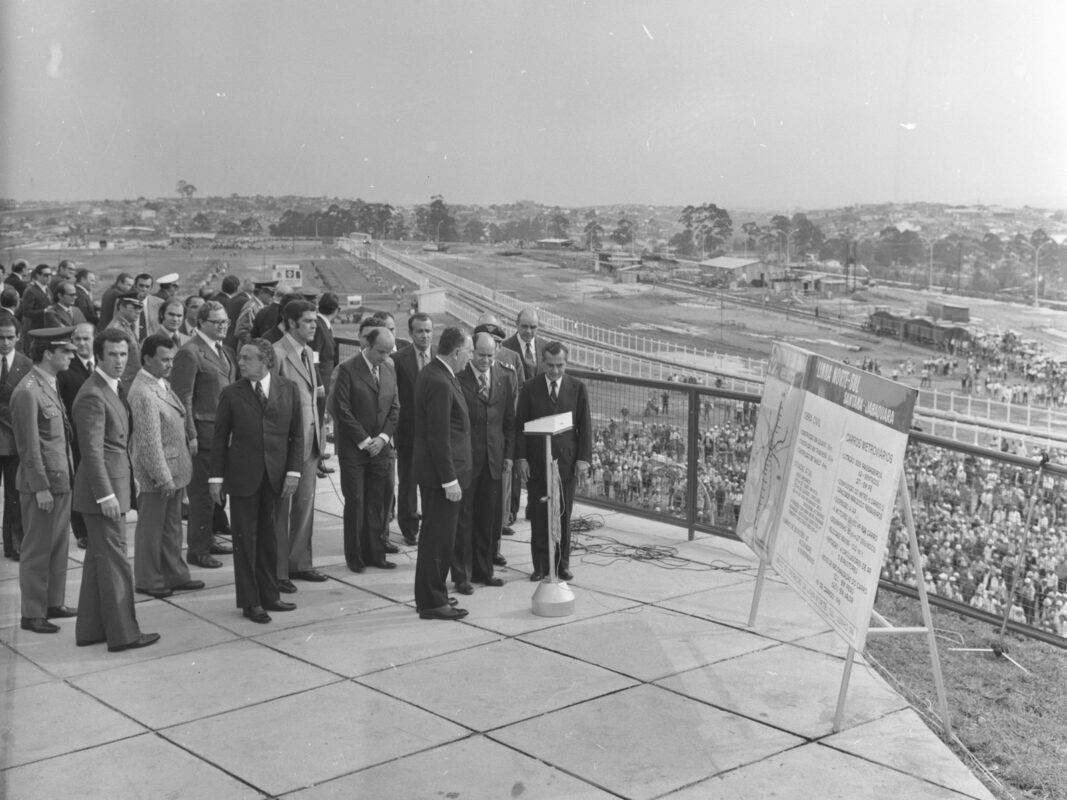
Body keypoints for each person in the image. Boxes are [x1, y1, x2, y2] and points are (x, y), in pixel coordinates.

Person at [73, 328, 160, 652]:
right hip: (102, 495)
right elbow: (91, 451)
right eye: (113, 354)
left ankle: (91, 630)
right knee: (115, 564)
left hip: (112, 488)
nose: (120, 360)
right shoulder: (93, 394)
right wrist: (106, 495)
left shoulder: (112, 387)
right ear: (99, 355)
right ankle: (125, 634)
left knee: (99, 562)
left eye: (124, 354)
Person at [210, 339, 303, 624]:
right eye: (240, 357)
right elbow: (219, 438)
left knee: (270, 538)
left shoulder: (289, 389)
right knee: (245, 540)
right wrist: (216, 479)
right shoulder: (231, 393)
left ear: (266, 361)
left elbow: (297, 435)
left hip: (276, 477)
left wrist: (293, 472)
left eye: (248, 358)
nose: (241, 362)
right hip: (243, 478)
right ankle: (251, 602)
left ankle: (270, 595)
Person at [11, 327, 78, 633]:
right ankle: (33, 613)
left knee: (58, 545)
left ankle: (53, 602)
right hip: (43, 486)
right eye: (66, 351)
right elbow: (28, 446)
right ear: (48, 353)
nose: (71, 355)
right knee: (38, 549)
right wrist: (40, 488)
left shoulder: (48, 383)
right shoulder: (27, 390)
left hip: (60, 481)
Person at [128, 334, 204, 599]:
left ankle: (174, 574)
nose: (170, 364)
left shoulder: (158, 382)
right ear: (147, 359)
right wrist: (162, 478)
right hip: (158, 475)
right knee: (151, 530)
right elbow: (149, 443)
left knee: (171, 527)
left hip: (173, 471)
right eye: (164, 359)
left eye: (172, 358)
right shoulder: (143, 392)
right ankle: (148, 579)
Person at [515, 341, 592, 582]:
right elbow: (520, 427)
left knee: (563, 516)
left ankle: (562, 564)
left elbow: (585, 426)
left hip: (566, 465)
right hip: (537, 464)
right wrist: (521, 458)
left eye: (560, 366)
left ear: (566, 364)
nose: (555, 371)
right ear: (542, 362)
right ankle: (540, 565)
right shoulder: (529, 388)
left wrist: (583, 460)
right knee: (539, 516)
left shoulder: (577, 388)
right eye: (550, 365)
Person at [170, 300, 237, 569]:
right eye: (217, 323)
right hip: (203, 435)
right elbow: (182, 397)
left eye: (225, 322)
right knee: (202, 495)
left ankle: (207, 539)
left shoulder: (224, 350)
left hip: (223, 434)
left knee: (217, 494)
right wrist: (191, 435)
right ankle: (197, 550)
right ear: (201, 324)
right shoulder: (190, 353)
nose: (223, 327)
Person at [413, 326, 473, 620]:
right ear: (457, 351)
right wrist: (450, 480)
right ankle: (433, 602)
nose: (470, 358)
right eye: (469, 352)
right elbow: (439, 437)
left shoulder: (440, 374)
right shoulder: (439, 380)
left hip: (442, 476)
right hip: (442, 479)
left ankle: (433, 596)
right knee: (438, 541)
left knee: (436, 540)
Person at [330, 322, 399, 572]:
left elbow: (395, 408)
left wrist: (382, 438)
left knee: (377, 502)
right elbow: (342, 409)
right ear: (367, 345)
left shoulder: (389, 368)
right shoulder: (348, 369)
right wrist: (364, 440)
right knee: (356, 502)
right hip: (355, 451)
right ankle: (356, 556)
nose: (386, 356)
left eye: (389, 351)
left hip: (380, 449)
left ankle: (376, 554)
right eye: (381, 351)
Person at [452, 329, 515, 593]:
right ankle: (463, 575)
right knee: (464, 520)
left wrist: (509, 455)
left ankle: (484, 570)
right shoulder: (458, 379)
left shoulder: (504, 378)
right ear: (471, 352)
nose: (486, 360)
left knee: (489, 519)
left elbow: (509, 422)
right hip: (467, 462)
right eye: (480, 355)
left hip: (494, 461)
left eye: (490, 355)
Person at [272, 300, 326, 589]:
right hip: (287, 444)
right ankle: (279, 570)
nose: (313, 326)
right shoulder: (277, 354)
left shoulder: (308, 352)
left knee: (305, 505)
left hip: (311, 441)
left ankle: (300, 563)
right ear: (291, 323)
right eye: (307, 321)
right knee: (281, 509)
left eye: (315, 321)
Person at [391, 312, 434, 546]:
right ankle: (409, 528)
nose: (425, 335)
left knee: (432, 480)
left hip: (435, 432)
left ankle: (430, 523)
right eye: (419, 331)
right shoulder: (399, 359)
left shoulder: (440, 355)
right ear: (410, 334)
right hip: (408, 431)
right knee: (407, 480)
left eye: (428, 330)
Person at [57, 322, 95, 549]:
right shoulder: (66, 369)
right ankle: (81, 531)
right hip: (76, 437)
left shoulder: (99, 363)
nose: (81, 343)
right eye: (77, 339)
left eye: (86, 338)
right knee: (79, 482)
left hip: (97, 435)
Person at [0, 314, 31, 561]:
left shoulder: (26, 365)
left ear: (18, 337)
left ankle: (14, 543)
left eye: (10, 337)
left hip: (13, 439)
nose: (5, 342)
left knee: (15, 495)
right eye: (0, 337)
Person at [106, 291, 145, 389]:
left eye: (140, 308)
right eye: (134, 307)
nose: (138, 311)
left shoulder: (126, 326)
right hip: (124, 385)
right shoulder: (116, 330)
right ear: (122, 307)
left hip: (133, 383)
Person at [15, 263, 54, 350]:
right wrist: (45, 311)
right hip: (34, 330)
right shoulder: (30, 291)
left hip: (46, 328)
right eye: (46, 275)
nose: (49, 277)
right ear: (37, 275)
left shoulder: (48, 289)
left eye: (50, 275)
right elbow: (26, 312)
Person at [230, 280, 276, 351]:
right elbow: (240, 331)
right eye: (271, 294)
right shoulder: (251, 307)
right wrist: (256, 343)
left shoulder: (259, 307)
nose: (272, 297)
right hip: (249, 351)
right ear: (261, 292)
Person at [143, 273, 180, 338]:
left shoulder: (151, 297)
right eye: (176, 286)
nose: (177, 289)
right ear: (171, 287)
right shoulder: (171, 301)